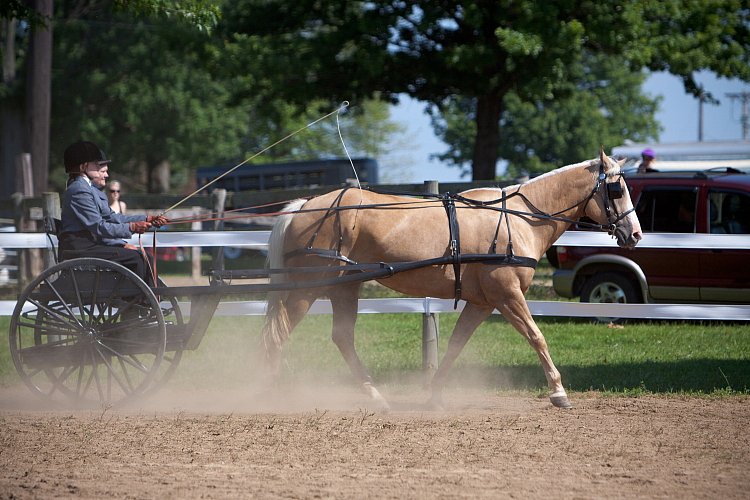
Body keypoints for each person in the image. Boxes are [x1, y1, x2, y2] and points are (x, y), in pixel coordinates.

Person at [59, 140, 168, 285]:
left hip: (89, 244)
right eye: (95, 164)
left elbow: (111, 217)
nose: (99, 167)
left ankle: (152, 295)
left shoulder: (86, 188)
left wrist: (147, 219)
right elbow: (98, 226)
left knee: (141, 256)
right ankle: (144, 298)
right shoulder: (79, 190)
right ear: (83, 166)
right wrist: (132, 228)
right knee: (136, 258)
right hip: (82, 247)